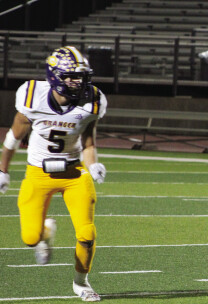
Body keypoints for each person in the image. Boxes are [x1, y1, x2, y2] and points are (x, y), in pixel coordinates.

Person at [0, 46, 107, 302]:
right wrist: (2, 170)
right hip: (38, 174)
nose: (78, 82)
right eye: (72, 76)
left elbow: (88, 142)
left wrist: (93, 165)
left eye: (81, 76)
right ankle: (45, 233)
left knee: (87, 233)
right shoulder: (32, 97)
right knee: (29, 237)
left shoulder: (92, 100)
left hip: (74, 173)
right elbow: (13, 138)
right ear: (55, 76)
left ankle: (81, 283)